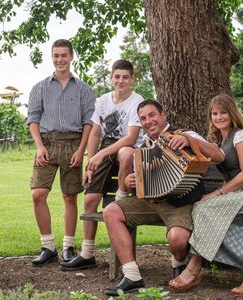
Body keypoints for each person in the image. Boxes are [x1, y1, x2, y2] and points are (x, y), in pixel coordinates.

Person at [102, 100, 225, 296]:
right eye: (143, 118)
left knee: (177, 239)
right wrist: (130, 181)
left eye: (152, 115)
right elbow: (136, 183)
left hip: (180, 203)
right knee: (111, 211)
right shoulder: (142, 145)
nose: (148, 121)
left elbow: (219, 155)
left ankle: (179, 262)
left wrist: (189, 140)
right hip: (150, 203)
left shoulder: (185, 134)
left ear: (163, 115)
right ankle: (132, 276)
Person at [169, 94, 243, 297]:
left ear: (231, 114)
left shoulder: (241, 136)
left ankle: (194, 270)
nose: (219, 117)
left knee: (207, 212)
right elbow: (201, 153)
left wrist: (218, 193)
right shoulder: (218, 141)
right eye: (214, 113)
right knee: (204, 211)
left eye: (223, 112)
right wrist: (186, 139)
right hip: (237, 193)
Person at [60, 59, 144, 271]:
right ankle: (88, 253)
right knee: (90, 199)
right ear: (111, 78)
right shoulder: (103, 101)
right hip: (106, 149)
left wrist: (101, 154)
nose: (121, 81)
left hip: (127, 147)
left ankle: (121, 197)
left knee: (125, 153)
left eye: (125, 77)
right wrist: (91, 159)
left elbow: (132, 137)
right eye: (117, 76)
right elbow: (96, 132)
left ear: (132, 79)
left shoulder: (137, 101)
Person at [27, 39, 95, 267]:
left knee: (69, 196)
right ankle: (48, 246)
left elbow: (88, 123)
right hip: (46, 143)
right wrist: (39, 146)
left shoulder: (84, 90)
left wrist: (81, 150)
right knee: (38, 194)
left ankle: (68, 246)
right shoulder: (39, 87)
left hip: (72, 143)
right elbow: (33, 119)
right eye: (56, 55)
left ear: (71, 57)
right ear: (52, 57)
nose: (60, 60)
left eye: (64, 55)